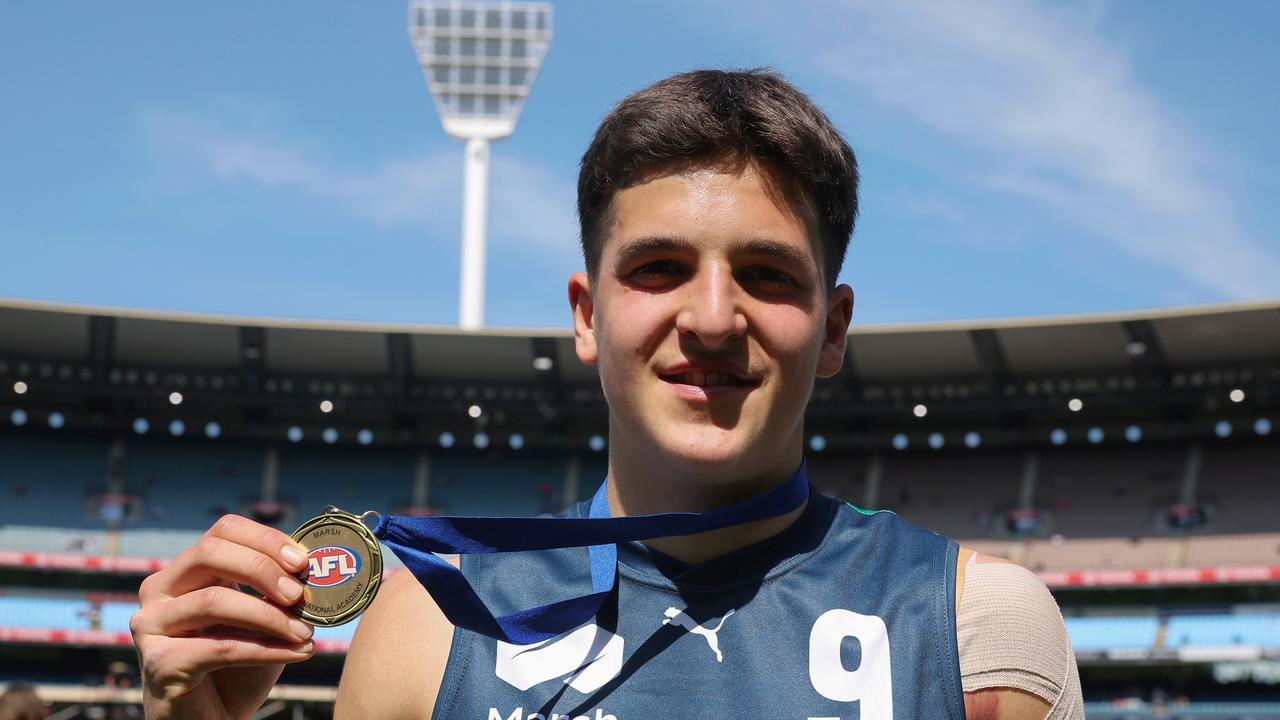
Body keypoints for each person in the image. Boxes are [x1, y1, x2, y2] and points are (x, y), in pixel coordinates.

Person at [132, 68, 1082, 719]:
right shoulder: (424, 627)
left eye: (767, 273)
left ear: (832, 329)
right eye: (660, 268)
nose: (713, 317)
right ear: (586, 316)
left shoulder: (974, 629)